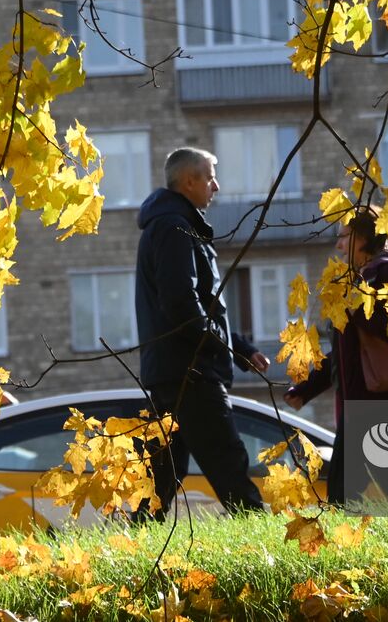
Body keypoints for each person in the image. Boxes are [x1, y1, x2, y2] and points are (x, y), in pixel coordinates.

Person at [135, 147, 269, 518]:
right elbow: (181, 302)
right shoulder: (174, 227)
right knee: (228, 462)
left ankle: (137, 545)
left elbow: (200, 303)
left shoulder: (174, 224)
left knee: (161, 475)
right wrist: (219, 346)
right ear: (189, 181)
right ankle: (263, 544)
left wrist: (239, 348)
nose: (217, 186)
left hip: (173, 368)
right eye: (210, 177)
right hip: (191, 369)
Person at [284, 206, 388, 503]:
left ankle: (341, 543)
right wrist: (309, 387)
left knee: (349, 491)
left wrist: (357, 306)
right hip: (372, 401)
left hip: (387, 401)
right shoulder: (361, 280)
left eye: (343, 236)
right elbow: (350, 352)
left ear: (362, 238)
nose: (338, 245)